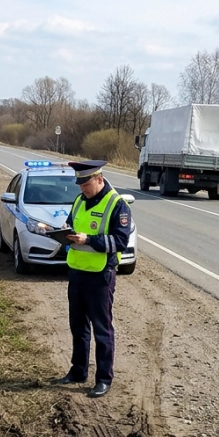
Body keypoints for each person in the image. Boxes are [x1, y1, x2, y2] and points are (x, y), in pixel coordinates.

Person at [52, 160, 132, 398]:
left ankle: (104, 379)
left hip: (100, 276)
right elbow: (71, 224)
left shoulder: (117, 205)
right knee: (78, 327)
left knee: (102, 330)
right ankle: (78, 371)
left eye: (86, 184)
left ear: (99, 178)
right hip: (76, 273)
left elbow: (120, 242)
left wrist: (88, 240)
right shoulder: (79, 201)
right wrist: (62, 232)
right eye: (80, 184)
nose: (82, 189)